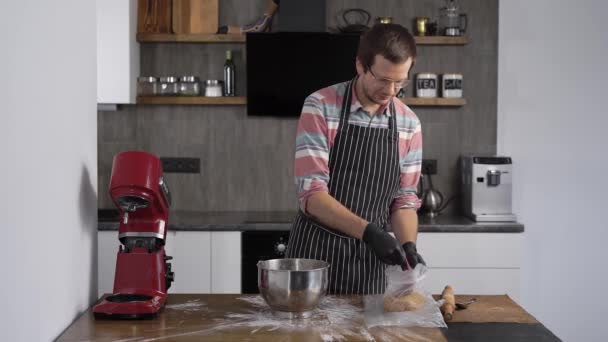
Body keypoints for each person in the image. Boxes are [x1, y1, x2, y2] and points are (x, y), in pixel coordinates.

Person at [285, 23, 425, 295]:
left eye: (400, 81)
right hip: (316, 260)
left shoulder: (409, 124)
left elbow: (404, 199)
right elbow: (312, 195)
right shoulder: (321, 106)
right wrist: (371, 233)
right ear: (360, 65)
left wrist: (408, 244)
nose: (391, 90)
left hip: (371, 266)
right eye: (383, 79)